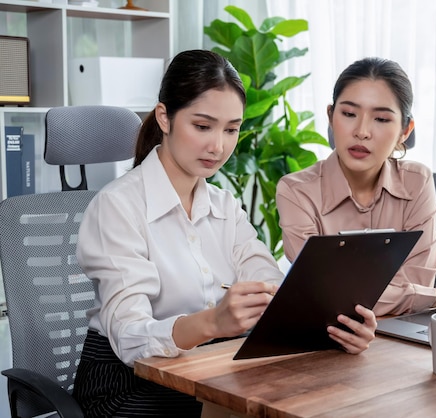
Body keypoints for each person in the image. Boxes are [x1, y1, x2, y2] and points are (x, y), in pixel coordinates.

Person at [72, 50, 377, 418]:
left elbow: (272, 288)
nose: (218, 146)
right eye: (203, 126)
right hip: (128, 385)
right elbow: (131, 338)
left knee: (323, 394)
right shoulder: (117, 207)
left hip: (207, 369)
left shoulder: (224, 205)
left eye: (231, 129)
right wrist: (212, 323)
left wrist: (336, 327)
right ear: (165, 117)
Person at [276, 57, 436, 317]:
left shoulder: (417, 182)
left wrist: (402, 294)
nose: (362, 131)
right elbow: (329, 294)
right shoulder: (297, 192)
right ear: (331, 116)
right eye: (349, 114)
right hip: (330, 341)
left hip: (401, 339)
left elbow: (418, 283)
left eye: (382, 119)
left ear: (405, 130)